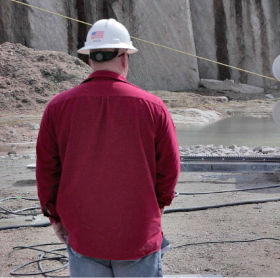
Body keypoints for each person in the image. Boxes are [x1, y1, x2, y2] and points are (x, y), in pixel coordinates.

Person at [36, 18, 180, 277]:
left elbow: (47, 170)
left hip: (83, 233)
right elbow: (169, 169)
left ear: (90, 59)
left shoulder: (58, 107)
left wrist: (54, 217)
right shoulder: (153, 107)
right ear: (125, 57)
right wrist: (157, 207)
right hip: (138, 233)